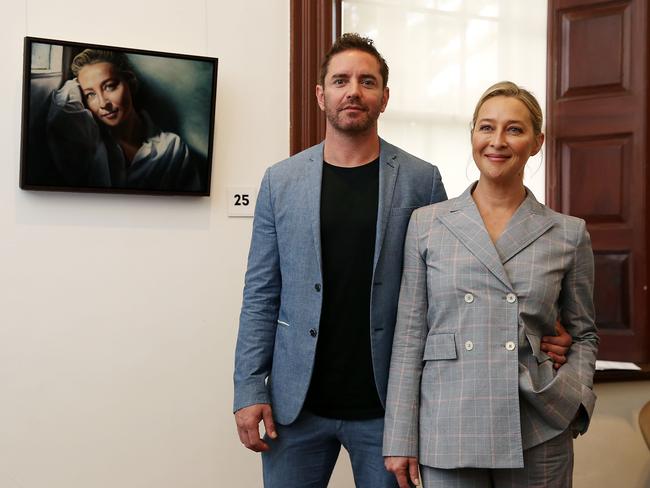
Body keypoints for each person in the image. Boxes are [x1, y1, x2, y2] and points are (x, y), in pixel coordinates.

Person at [234, 35, 572, 488]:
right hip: (295, 406)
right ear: (321, 94)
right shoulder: (281, 182)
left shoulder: (420, 179)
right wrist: (249, 388)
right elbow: (261, 293)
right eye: (340, 80)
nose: (353, 91)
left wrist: (542, 326)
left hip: (386, 408)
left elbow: (449, 284)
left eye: (366, 81)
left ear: (384, 97)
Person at [383, 81, 598, 488]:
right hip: (449, 421)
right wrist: (399, 436)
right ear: (473, 136)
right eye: (486, 127)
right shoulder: (428, 224)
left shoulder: (567, 233)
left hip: (538, 419)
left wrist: (574, 397)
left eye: (514, 129)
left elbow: (584, 333)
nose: (497, 141)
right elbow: (410, 336)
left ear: (537, 142)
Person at [46, 49, 201, 191]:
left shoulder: (171, 148)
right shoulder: (89, 141)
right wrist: (79, 80)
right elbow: (61, 104)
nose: (103, 104)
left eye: (110, 86)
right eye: (90, 95)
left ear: (130, 82)